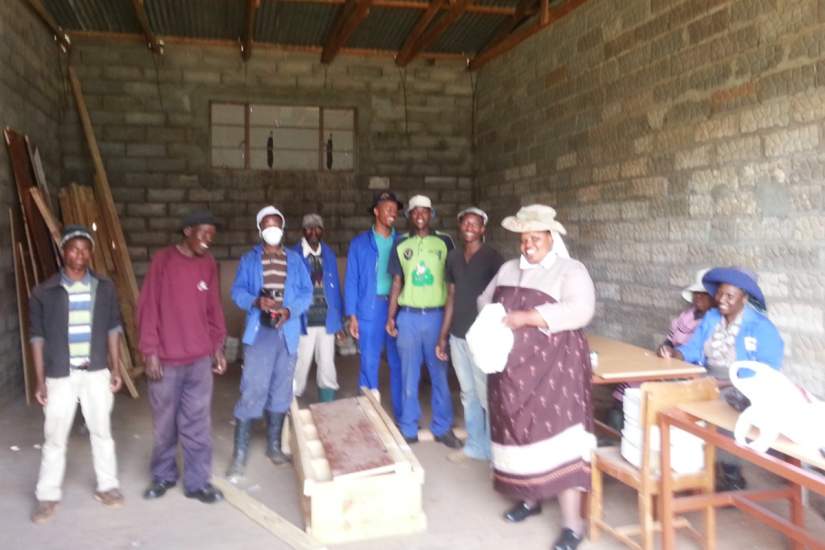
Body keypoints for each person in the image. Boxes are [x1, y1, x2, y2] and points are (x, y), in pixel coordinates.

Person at [477, 204, 595, 550]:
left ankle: (573, 526)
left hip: (555, 373)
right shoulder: (507, 269)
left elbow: (581, 310)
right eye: (524, 239)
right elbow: (484, 301)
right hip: (512, 374)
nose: (528, 246)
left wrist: (528, 317)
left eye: (536, 239)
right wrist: (497, 315)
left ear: (551, 238)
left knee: (560, 440)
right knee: (519, 437)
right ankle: (529, 499)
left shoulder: (570, 270)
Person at [29, 225, 124, 523]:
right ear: (63, 252)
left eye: (85, 249)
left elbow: (113, 328)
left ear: (91, 253)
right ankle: (47, 495)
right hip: (61, 374)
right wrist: (40, 379)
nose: (79, 254)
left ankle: (107, 486)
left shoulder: (104, 287)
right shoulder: (44, 291)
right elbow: (37, 337)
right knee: (55, 436)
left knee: (102, 432)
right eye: (74, 249)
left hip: (96, 371)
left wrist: (116, 368)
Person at [659, 266, 784, 490]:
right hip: (707, 378)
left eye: (729, 296)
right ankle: (682, 466)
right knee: (666, 396)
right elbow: (693, 349)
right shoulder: (712, 317)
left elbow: (767, 371)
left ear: (744, 298)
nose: (721, 300)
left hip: (743, 386)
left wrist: (726, 383)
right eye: (719, 294)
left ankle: (730, 475)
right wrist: (674, 353)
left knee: (725, 407)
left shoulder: (761, 328)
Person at [138, 211, 228, 504]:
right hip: (166, 360)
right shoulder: (163, 260)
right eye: (204, 233)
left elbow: (214, 308)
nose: (208, 241)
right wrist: (149, 351)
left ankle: (197, 482)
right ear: (187, 231)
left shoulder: (209, 264)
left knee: (198, 423)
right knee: (165, 424)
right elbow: (148, 306)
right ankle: (163, 475)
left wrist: (217, 347)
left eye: (212, 236)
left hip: (199, 360)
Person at [226, 206, 312, 481]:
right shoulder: (249, 260)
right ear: (260, 229)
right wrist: (255, 301)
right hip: (260, 330)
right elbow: (237, 290)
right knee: (254, 387)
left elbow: (306, 292)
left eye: (277, 224)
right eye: (267, 225)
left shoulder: (296, 261)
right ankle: (239, 455)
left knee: (281, 388)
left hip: (286, 330)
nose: (272, 229)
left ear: (282, 228)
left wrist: (290, 310)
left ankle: (274, 447)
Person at [386, 194, 461, 448]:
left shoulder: (444, 242)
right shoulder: (400, 243)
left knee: (439, 373)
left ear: (431, 214)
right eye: (415, 211)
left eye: (425, 211)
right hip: (408, 317)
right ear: (409, 215)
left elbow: (452, 285)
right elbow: (397, 283)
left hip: (436, 316)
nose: (420, 215)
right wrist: (391, 317)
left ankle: (442, 426)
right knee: (409, 374)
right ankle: (408, 427)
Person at [436, 207, 504, 462]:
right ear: (460, 226)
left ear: (483, 229)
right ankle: (475, 446)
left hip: (482, 339)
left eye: (475, 224)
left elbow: (499, 299)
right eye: (466, 223)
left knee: (487, 395)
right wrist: (443, 336)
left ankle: (494, 449)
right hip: (457, 337)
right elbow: (451, 297)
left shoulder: (493, 258)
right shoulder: (453, 257)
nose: (469, 228)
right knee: (468, 394)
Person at [344, 191, 404, 419]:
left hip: (397, 307)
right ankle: (368, 416)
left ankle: (401, 416)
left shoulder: (402, 242)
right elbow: (351, 279)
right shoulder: (360, 244)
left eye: (395, 209)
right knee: (369, 361)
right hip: (370, 307)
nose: (392, 213)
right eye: (387, 208)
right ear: (376, 212)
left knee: (398, 362)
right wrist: (352, 314)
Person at [289, 213, 344, 402]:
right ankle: (290, 406)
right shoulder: (293, 255)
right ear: (302, 231)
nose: (313, 232)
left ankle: (327, 406)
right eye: (309, 228)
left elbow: (335, 289)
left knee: (327, 364)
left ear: (323, 231)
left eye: (317, 228)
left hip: (326, 320)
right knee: (300, 364)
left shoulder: (328, 254)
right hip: (303, 320)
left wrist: (339, 323)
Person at [657, 267, 714, 354]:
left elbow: (699, 352)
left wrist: (674, 354)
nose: (698, 296)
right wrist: (665, 348)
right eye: (696, 292)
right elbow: (670, 340)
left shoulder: (713, 321)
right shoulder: (687, 315)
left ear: (713, 298)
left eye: (704, 293)